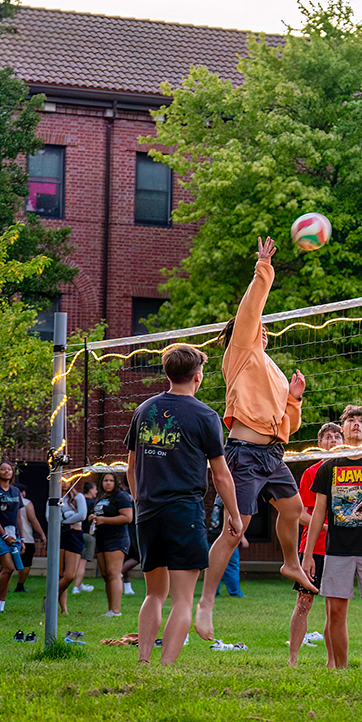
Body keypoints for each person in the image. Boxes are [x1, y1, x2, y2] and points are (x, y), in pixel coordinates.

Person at [195, 237, 316, 642]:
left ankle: (290, 563)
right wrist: (263, 267)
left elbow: (287, 425)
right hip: (243, 454)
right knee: (235, 529)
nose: (262, 327)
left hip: (272, 453)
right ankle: (206, 603)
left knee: (294, 507)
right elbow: (250, 310)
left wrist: (294, 398)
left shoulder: (274, 370)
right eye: (258, 325)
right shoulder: (241, 352)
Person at [126, 344, 240, 666]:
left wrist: (140, 501)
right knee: (182, 600)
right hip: (184, 512)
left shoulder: (144, 409)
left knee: (153, 594)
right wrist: (234, 513)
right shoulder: (206, 415)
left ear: (168, 373)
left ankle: (144, 661)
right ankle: (165, 668)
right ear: (198, 376)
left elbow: (130, 468)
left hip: (148, 512)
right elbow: (221, 474)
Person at [302, 405, 362, 668]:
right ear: (342, 428)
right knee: (335, 612)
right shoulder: (328, 467)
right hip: (336, 550)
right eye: (351, 420)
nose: (356, 424)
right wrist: (308, 555)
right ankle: (341, 669)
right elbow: (318, 512)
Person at [289, 422, 342, 667]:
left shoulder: (351, 471)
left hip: (341, 549)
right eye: (327, 437)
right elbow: (299, 514)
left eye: (337, 436)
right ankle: (293, 658)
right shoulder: (312, 472)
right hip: (313, 547)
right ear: (319, 444)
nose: (332, 440)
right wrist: (325, 526)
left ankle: (332, 662)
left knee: (335, 608)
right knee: (304, 602)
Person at [91, 472, 134, 617]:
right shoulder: (102, 497)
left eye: (110, 480)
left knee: (114, 573)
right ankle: (110, 609)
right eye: (105, 480)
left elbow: (127, 517)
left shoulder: (121, 497)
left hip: (116, 539)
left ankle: (116, 611)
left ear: (116, 482)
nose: (108, 483)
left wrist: (104, 520)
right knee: (105, 574)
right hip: (101, 538)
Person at [0, 460, 24, 613]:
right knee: (8, 566)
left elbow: (18, 516)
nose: (6, 472)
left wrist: (21, 538)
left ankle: (0, 604)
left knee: (8, 570)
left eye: (9, 469)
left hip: (14, 535)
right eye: (3, 469)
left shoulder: (15, 491)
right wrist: (4, 535)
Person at [56, 477, 88, 614]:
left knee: (69, 575)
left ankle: (49, 597)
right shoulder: (54, 498)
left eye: (66, 479)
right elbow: (49, 516)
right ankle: (64, 609)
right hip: (59, 535)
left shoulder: (78, 497)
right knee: (59, 574)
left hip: (74, 534)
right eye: (60, 479)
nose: (64, 482)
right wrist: (65, 519)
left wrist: (64, 521)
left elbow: (82, 515)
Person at [13, 492, 46, 593]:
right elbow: (33, 520)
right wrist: (42, 534)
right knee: (26, 563)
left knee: (7, 564)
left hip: (9, 536)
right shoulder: (27, 503)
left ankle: (5, 586)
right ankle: (20, 585)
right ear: (23, 492)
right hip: (26, 538)